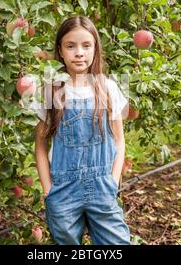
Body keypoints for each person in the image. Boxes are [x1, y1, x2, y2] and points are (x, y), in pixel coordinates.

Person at [31, 16, 131, 245]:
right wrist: (48, 190)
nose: (79, 52)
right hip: (63, 191)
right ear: (60, 50)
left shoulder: (108, 88)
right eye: (70, 46)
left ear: (95, 49)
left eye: (86, 46)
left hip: (102, 186)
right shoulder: (50, 91)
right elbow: (40, 145)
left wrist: (113, 181)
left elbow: (119, 140)